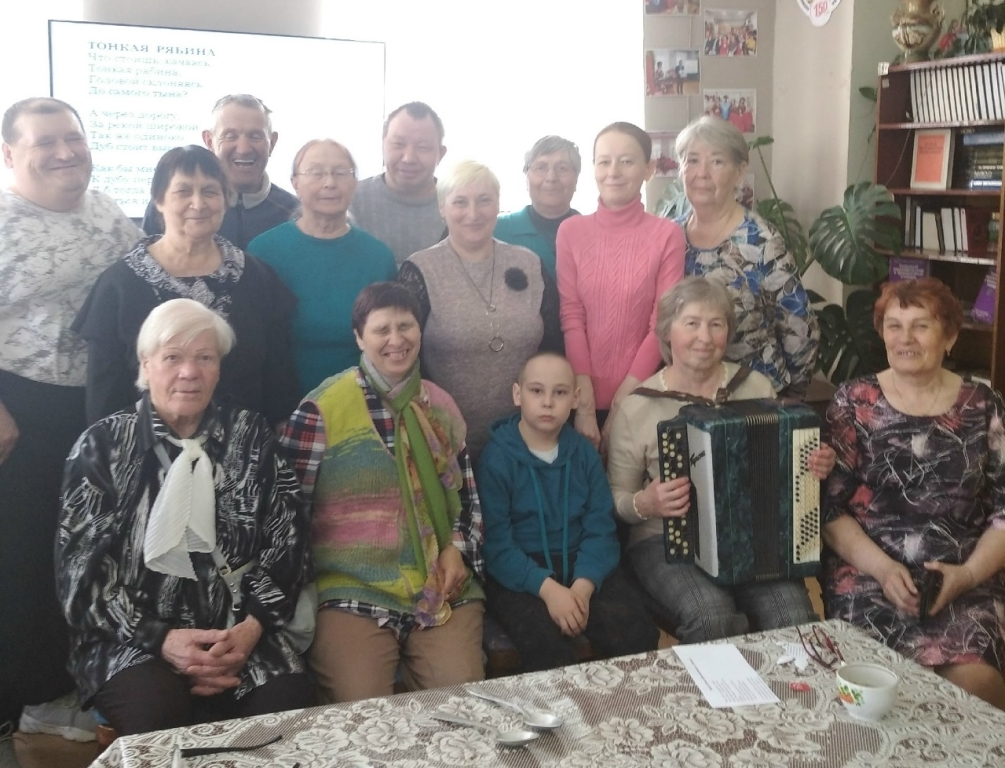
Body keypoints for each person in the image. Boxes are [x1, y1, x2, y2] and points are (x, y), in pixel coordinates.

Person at [57, 299, 313, 735]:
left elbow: (288, 543)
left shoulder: (251, 435)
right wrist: (164, 641)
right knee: (156, 710)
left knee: (289, 709)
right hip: (132, 642)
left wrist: (250, 630)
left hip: (241, 634)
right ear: (146, 364)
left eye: (205, 358)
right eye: (173, 357)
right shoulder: (102, 446)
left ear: (219, 367)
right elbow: (81, 581)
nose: (190, 372)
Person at [0, 96, 142, 737]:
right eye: (46, 142)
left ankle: (76, 686)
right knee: (25, 554)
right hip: (20, 408)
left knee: (85, 550)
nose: (65, 153)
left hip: (95, 405)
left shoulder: (107, 212)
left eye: (73, 139)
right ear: (10, 154)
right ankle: (30, 700)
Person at [281, 282, 485, 703]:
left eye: (405, 326)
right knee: (362, 710)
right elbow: (287, 514)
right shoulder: (321, 410)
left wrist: (457, 549)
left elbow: (467, 499)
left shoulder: (442, 406)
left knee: (463, 704)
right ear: (359, 337)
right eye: (381, 329)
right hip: (351, 591)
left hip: (440, 584)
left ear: (420, 330)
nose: (396, 339)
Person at [607, 277, 835, 642]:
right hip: (665, 542)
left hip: (755, 539)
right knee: (712, 617)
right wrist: (645, 503)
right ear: (667, 332)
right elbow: (616, 497)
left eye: (716, 324)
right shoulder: (638, 406)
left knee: (793, 617)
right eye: (691, 323)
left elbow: (786, 470)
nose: (705, 337)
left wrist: (814, 463)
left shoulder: (755, 387)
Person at [822, 278, 1005, 709]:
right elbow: (829, 510)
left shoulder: (983, 405)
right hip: (869, 574)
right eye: (894, 325)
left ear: (950, 337)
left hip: (964, 575)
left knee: (977, 686)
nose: (905, 338)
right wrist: (884, 570)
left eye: (921, 326)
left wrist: (967, 576)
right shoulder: (853, 402)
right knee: (875, 689)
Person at [74, 145, 299, 428]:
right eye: (183, 191)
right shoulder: (120, 284)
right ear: (159, 200)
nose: (198, 203)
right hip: (144, 445)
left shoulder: (255, 277)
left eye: (210, 191)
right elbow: (104, 390)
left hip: (243, 443)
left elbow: (278, 376)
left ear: (225, 200)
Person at [478, 352, 658, 672]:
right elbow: (497, 545)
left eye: (559, 392)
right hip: (520, 573)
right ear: (517, 394)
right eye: (536, 391)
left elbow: (601, 529)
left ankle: (619, 701)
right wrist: (549, 591)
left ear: (575, 399)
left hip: (581, 562)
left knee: (635, 632)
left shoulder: (584, 454)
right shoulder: (496, 459)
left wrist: (583, 587)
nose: (548, 402)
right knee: (545, 647)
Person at [399, 160, 563, 462]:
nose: (473, 213)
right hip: (445, 441)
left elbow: (554, 347)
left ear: (498, 204)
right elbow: (405, 359)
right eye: (460, 202)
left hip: (526, 440)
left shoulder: (529, 263)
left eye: (484, 200)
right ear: (442, 208)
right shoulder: (419, 270)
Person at [557, 121, 685, 455]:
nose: (613, 172)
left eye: (626, 161)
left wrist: (620, 406)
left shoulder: (667, 235)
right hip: (577, 396)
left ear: (649, 169)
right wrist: (584, 407)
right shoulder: (571, 231)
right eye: (604, 161)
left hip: (644, 395)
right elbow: (571, 316)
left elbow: (662, 323)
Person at [676, 115, 817, 397]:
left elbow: (799, 325)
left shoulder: (761, 240)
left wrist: (791, 395)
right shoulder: (670, 236)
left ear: (739, 172)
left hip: (753, 393)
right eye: (692, 160)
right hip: (686, 390)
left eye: (717, 161)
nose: (702, 173)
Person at [248, 139, 397, 396]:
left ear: (354, 183)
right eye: (316, 173)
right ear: (295, 183)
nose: (329, 182)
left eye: (340, 173)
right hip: (281, 401)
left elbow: (390, 344)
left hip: (363, 402)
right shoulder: (263, 251)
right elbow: (253, 344)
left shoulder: (378, 257)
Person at [141, 94, 298, 250]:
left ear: (272, 142)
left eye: (255, 136)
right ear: (209, 141)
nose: (243, 149)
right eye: (230, 136)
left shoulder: (293, 213)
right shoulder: (169, 208)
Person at [350, 102, 448, 265]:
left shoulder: (461, 208)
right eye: (398, 144)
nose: (408, 158)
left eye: (423, 147)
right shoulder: (350, 200)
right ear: (383, 144)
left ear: (441, 154)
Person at [494, 135, 581, 281]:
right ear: (526, 177)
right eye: (541, 168)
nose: (551, 177)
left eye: (562, 168)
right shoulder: (496, 231)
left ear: (576, 178)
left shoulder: (596, 235)